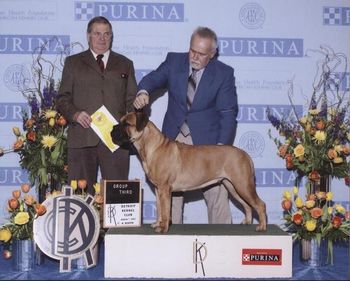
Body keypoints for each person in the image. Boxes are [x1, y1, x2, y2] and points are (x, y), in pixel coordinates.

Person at [133, 26, 238, 224]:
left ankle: (224, 240)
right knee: (169, 192)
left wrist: (222, 146)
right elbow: (152, 78)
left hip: (207, 143)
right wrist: (143, 91)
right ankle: (171, 239)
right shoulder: (174, 61)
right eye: (192, 51)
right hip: (173, 137)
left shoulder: (224, 73)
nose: (194, 57)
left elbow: (228, 113)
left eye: (201, 54)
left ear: (212, 54)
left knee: (216, 194)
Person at [56, 16, 137, 194]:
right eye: (97, 34)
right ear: (88, 36)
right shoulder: (73, 63)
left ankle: (112, 224)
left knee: (117, 196)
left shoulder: (125, 64)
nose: (102, 38)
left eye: (107, 34)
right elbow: (62, 98)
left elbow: (131, 102)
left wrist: (130, 124)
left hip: (116, 140)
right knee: (80, 197)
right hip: (82, 137)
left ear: (112, 36)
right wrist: (75, 114)